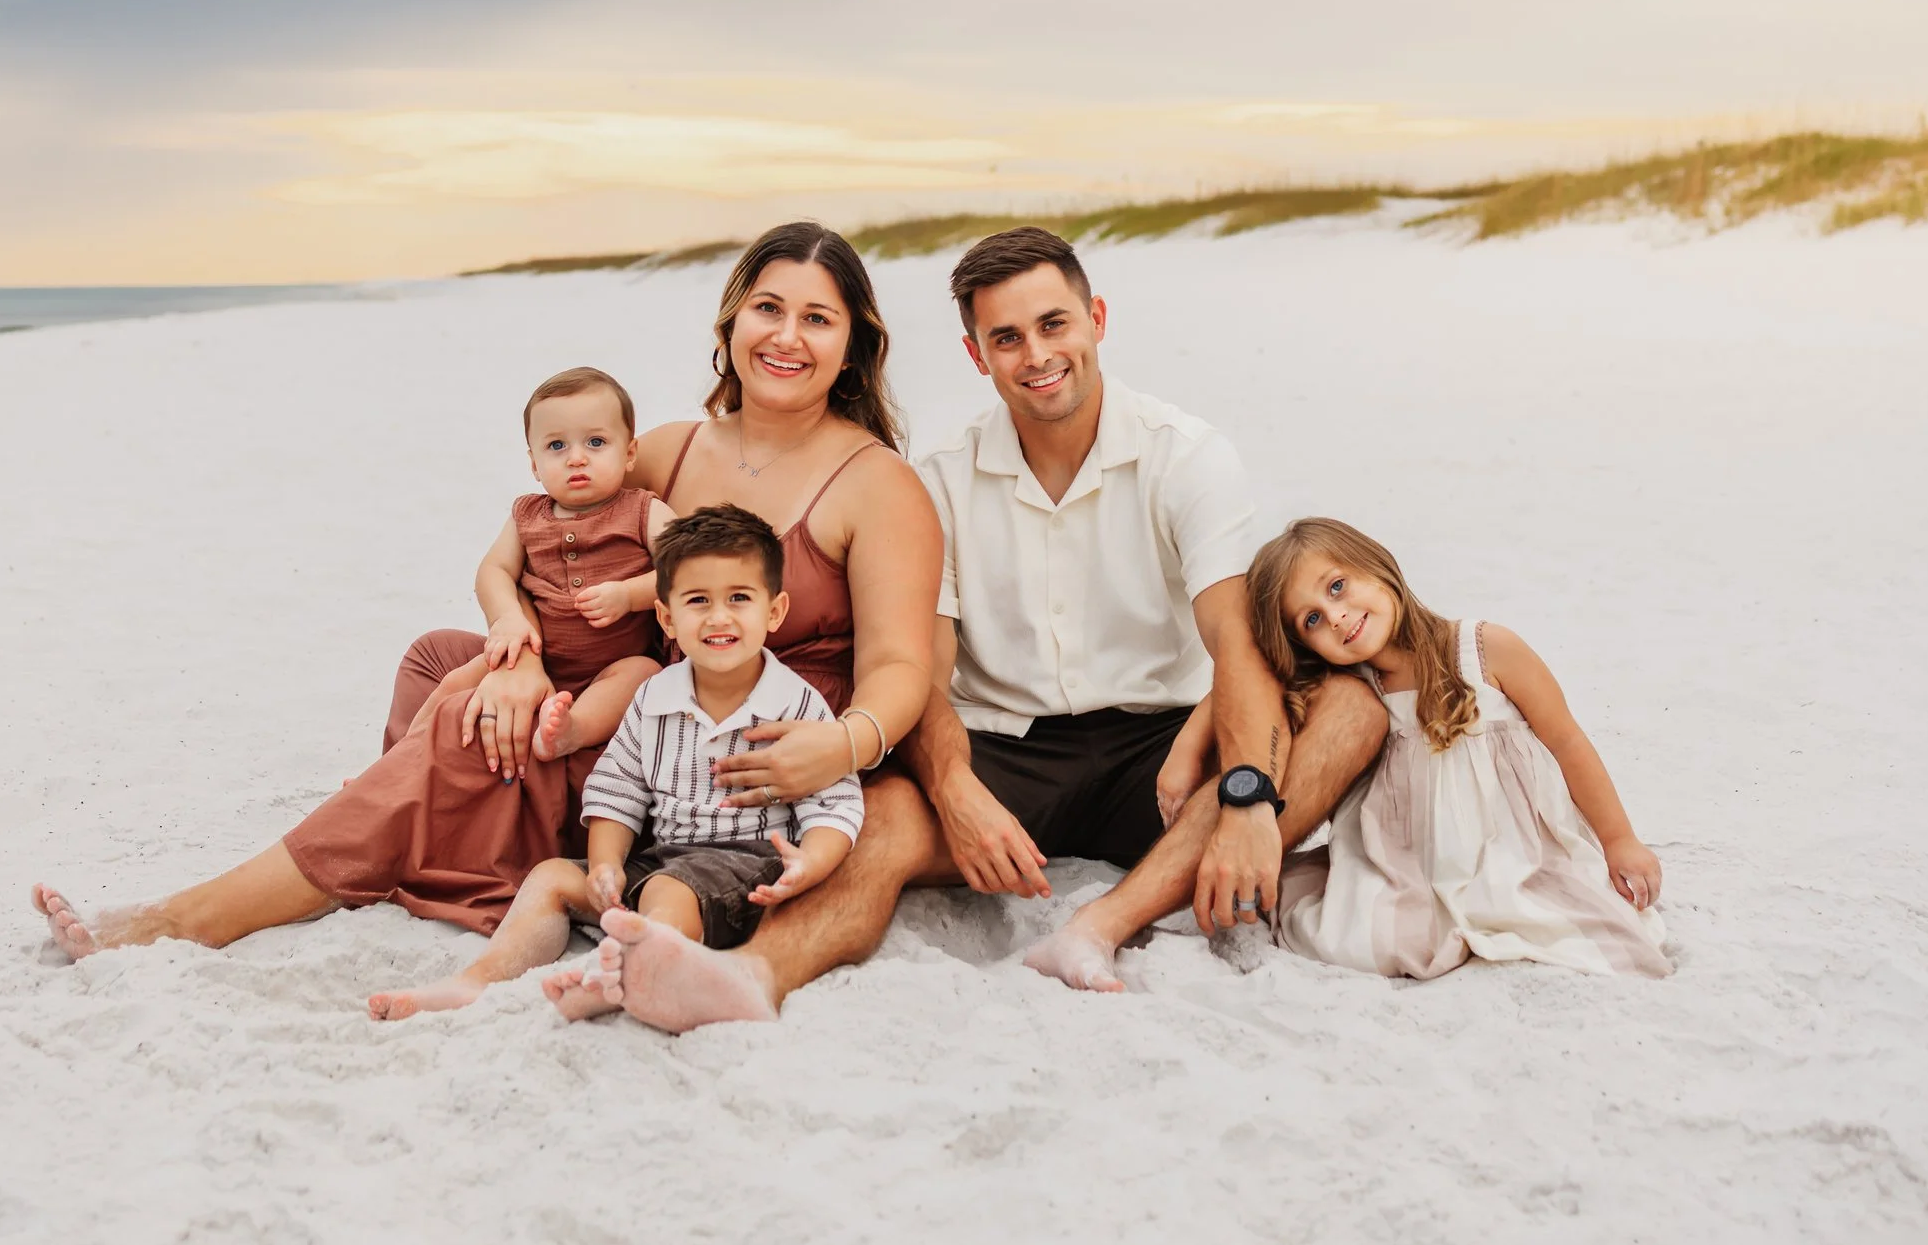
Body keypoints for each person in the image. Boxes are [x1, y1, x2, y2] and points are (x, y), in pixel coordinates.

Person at [30, 222, 938, 963]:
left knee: (470, 726)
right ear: (731, 323)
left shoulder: (875, 483)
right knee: (442, 659)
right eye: (768, 308)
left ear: (854, 342)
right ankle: (400, 825)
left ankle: (192, 916)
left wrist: (841, 745)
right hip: (633, 689)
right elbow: (550, 570)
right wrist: (520, 657)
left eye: (817, 318)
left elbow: (902, 665)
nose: (786, 335)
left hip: (729, 747)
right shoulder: (668, 448)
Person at [567, 227, 1395, 1032]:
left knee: (1350, 712)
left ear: (1096, 320)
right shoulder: (942, 479)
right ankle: (752, 976)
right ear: (976, 354)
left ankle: (1098, 925)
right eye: (1006, 336)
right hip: (1006, 748)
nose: (1035, 354)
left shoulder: (1185, 455)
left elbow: (1235, 640)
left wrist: (1248, 794)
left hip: (1161, 749)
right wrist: (957, 793)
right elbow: (921, 668)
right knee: (880, 812)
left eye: (1053, 325)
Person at [366, 505, 866, 1021]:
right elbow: (617, 788)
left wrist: (813, 862)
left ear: (775, 611)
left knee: (671, 892)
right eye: (698, 601)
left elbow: (835, 801)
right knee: (553, 877)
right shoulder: (655, 697)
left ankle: (624, 974)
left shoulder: (794, 703)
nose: (719, 617)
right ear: (667, 618)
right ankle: (479, 979)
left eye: (739, 599)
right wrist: (605, 865)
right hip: (663, 857)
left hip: (751, 867)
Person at [1247, 517, 1670, 977]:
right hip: (1410, 864)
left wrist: (1619, 840)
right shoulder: (1353, 697)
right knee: (1369, 940)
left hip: (1513, 850)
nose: (1336, 616)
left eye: (1337, 587)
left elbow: (1567, 741)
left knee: (1570, 922)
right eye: (1311, 620)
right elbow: (1251, 682)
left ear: (1377, 566)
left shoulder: (1485, 649)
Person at [463, 365, 672, 781]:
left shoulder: (642, 510)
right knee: (453, 685)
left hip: (612, 663)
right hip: (535, 658)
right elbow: (494, 570)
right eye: (556, 446)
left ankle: (570, 732)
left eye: (596, 442)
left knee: (643, 675)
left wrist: (629, 595)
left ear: (629, 453)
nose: (577, 457)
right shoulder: (526, 515)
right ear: (534, 464)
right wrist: (507, 617)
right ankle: (394, 759)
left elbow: (687, 570)